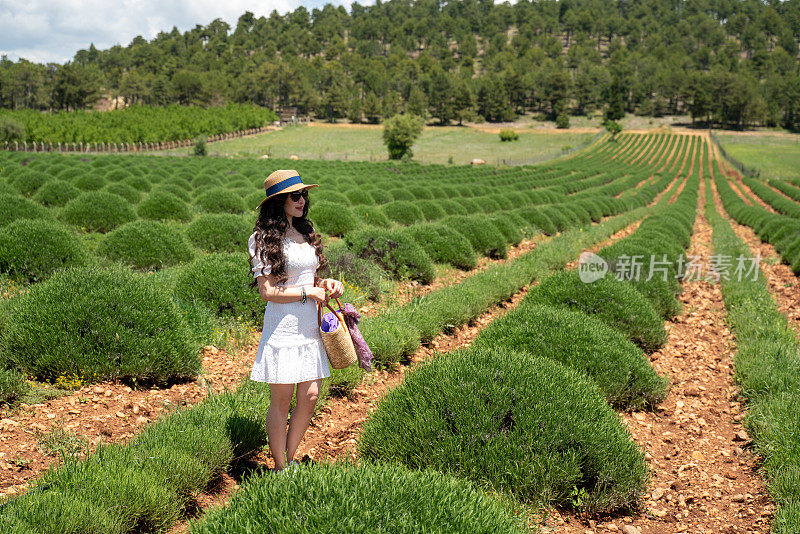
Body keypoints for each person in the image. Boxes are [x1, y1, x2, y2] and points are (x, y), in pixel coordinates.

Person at [247, 169, 344, 472]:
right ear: (279, 201)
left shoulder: (305, 233)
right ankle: (280, 467)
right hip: (283, 327)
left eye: (304, 195)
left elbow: (309, 277)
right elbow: (267, 292)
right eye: (295, 196)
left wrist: (326, 284)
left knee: (311, 395)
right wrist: (308, 292)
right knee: (282, 399)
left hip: (309, 326)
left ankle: (288, 460)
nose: (302, 200)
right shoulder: (261, 239)